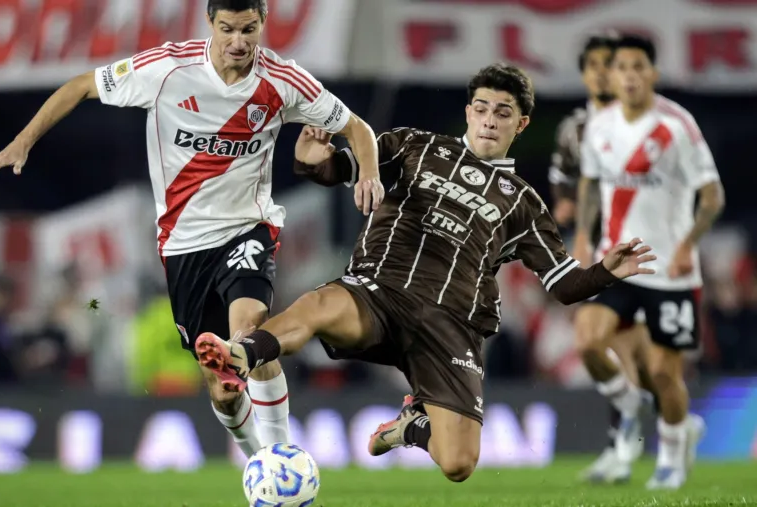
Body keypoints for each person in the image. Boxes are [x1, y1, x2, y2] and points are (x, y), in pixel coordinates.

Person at [194, 63, 656, 483]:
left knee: (458, 464)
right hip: (377, 292)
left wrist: (606, 271)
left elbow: (565, 286)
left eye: (502, 112)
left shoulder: (523, 202)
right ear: (468, 112)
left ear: (522, 123)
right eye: (481, 108)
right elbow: (336, 170)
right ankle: (241, 355)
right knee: (319, 303)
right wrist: (314, 159)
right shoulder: (414, 146)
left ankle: (412, 427)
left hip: (451, 327)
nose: (490, 120)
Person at [0, 0, 383, 458]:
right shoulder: (167, 68)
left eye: (249, 29)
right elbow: (81, 86)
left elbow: (357, 128)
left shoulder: (284, 81)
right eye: (228, 29)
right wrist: (22, 142)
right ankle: (255, 460)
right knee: (222, 388)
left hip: (248, 227)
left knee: (250, 331)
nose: (238, 42)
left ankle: (282, 456)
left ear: (263, 23)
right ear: (210, 23)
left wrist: (368, 174)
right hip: (183, 244)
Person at [573, 34, 723, 490]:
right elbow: (589, 182)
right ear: (612, 76)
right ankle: (630, 402)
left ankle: (673, 459)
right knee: (588, 343)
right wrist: (583, 234)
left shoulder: (676, 124)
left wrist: (686, 245)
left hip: (668, 270)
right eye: (623, 68)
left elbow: (712, 196)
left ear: (653, 74)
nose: (631, 75)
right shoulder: (599, 127)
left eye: (640, 67)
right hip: (616, 262)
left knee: (663, 371)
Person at [550, 34, 658, 484]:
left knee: (626, 353)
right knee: (601, 345)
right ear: (584, 72)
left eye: (607, 64)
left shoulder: (647, 123)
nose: (600, 72)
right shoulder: (574, 129)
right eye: (592, 64)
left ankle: (633, 443)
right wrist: (567, 210)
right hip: (599, 252)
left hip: (642, 248)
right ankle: (628, 443)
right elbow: (564, 179)